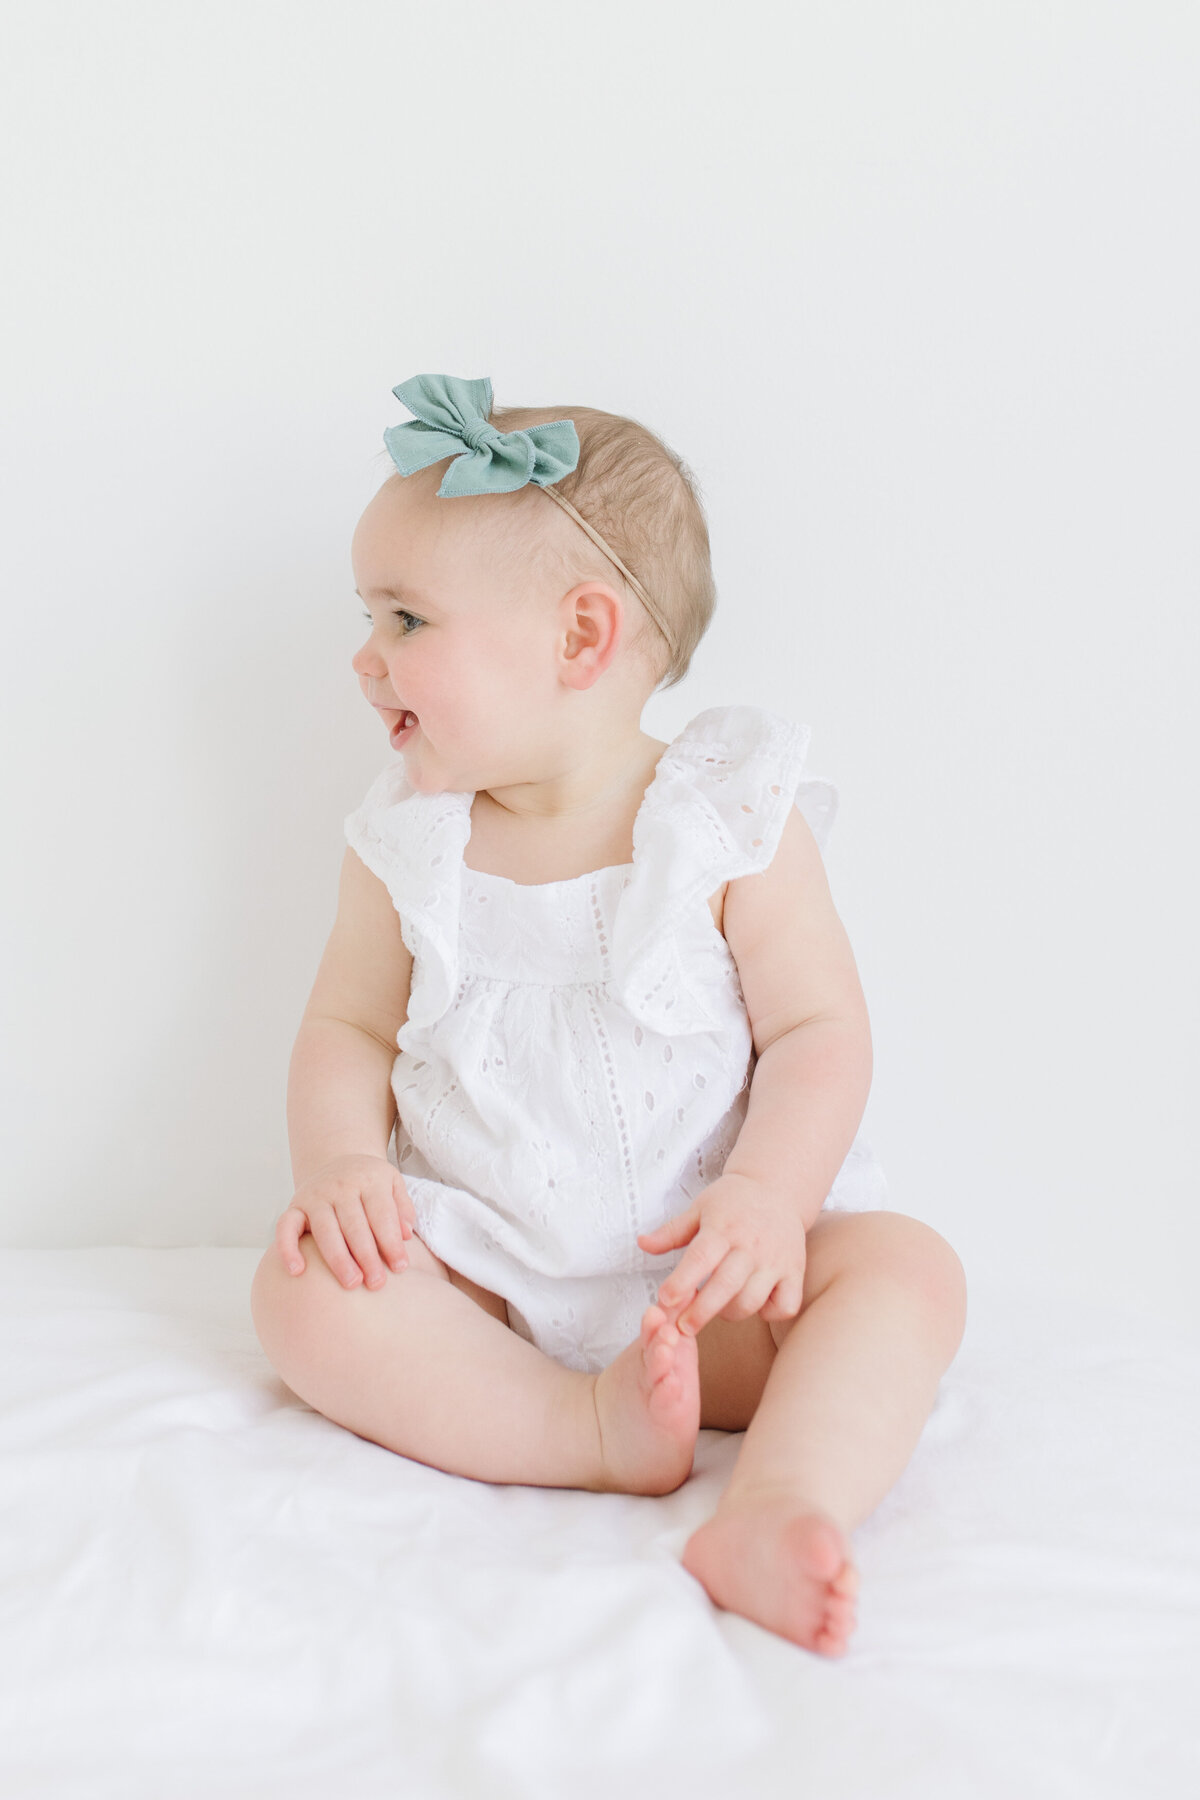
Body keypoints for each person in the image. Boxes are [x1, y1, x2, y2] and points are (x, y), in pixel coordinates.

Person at [250, 373, 968, 1658]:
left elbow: (820, 1032)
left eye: (406, 619)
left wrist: (768, 1197)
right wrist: (344, 1166)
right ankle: (578, 1432)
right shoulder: (406, 845)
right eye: (368, 617)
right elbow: (344, 1030)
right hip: (494, 1296)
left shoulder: (728, 820)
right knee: (301, 1293)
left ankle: (781, 1503)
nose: (366, 660)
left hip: (719, 1290)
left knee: (909, 1273)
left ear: (582, 639)